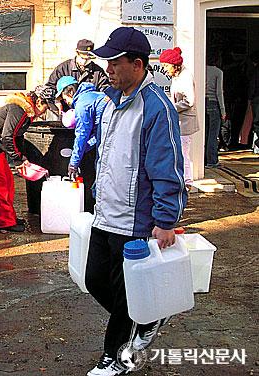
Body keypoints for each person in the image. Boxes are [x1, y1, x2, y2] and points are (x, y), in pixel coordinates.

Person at [85, 27, 187, 376]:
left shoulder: (155, 107)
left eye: (115, 61)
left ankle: (116, 356)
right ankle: (147, 316)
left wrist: (165, 219)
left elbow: (167, 166)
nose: (108, 68)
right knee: (95, 280)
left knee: (123, 293)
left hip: (135, 220)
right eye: (107, 61)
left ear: (138, 64)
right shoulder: (110, 102)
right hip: (106, 213)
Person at [0, 85, 53, 233]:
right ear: (39, 102)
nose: (43, 113)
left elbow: (17, 137)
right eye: (45, 108)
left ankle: (10, 217)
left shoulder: (26, 113)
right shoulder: (19, 110)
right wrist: (18, 159)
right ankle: (5, 223)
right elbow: (7, 136)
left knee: (8, 182)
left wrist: (22, 158)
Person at [55, 76, 109, 213]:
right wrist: (84, 151)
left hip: (109, 146)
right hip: (112, 140)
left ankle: (102, 218)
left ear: (70, 92)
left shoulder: (83, 104)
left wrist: (73, 163)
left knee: (102, 181)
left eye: (64, 98)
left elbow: (82, 136)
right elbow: (98, 134)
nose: (66, 102)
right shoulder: (96, 96)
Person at [160, 47, 197, 186]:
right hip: (179, 121)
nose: (164, 69)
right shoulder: (177, 76)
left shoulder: (185, 76)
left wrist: (171, 108)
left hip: (185, 122)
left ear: (174, 65)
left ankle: (187, 182)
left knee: (183, 153)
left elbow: (189, 100)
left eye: (165, 66)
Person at [46, 39, 110, 114]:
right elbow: (49, 88)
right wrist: (56, 101)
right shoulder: (63, 68)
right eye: (83, 58)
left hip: (88, 114)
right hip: (63, 113)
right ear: (77, 53)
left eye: (88, 59)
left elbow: (106, 92)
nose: (85, 61)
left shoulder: (98, 72)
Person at [205, 54, 228, 166]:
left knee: (205, 133)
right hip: (214, 104)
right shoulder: (218, 72)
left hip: (203, 103)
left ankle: (203, 159)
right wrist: (223, 111)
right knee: (213, 135)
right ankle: (212, 160)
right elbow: (219, 92)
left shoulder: (201, 69)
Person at [248, 50, 259, 149]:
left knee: (257, 122)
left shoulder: (255, 71)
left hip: (257, 98)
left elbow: (252, 85)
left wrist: (250, 98)